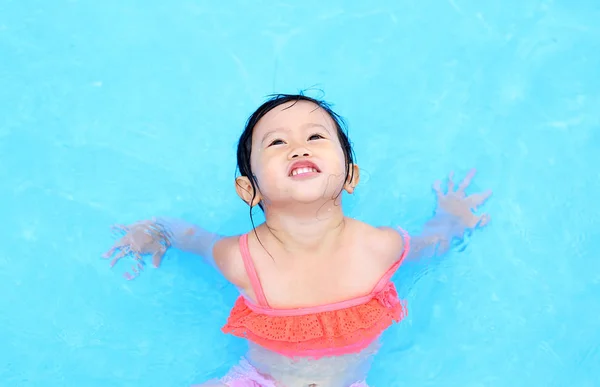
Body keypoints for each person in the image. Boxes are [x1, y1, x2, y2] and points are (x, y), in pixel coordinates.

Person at [103, 94, 492, 387]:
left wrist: (450, 219)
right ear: (248, 189)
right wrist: (156, 231)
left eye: (316, 136)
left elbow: (432, 245)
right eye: (276, 143)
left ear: (351, 176)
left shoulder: (377, 248)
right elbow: (193, 238)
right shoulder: (243, 259)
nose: (298, 147)